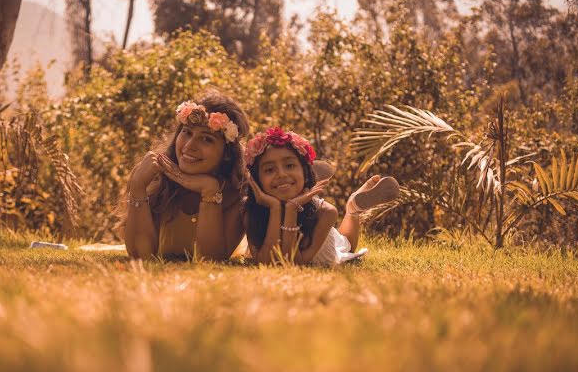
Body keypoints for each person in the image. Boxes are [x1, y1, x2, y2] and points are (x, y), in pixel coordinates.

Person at [119, 92, 250, 260]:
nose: (189, 146)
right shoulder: (157, 179)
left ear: (227, 153)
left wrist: (209, 190)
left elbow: (208, 260)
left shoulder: (238, 193)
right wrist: (137, 187)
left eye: (206, 139)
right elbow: (140, 255)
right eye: (187, 132)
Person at [243, 127, 400, 266]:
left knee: (346, 245)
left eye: (289, 165)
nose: (281, 174)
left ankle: (353, 208)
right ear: (256, 179)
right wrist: (275, 208)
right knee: (287, 182)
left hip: (322, 235)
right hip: (288, 195)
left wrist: (291, 209)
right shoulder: (250, 210)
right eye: (270, 170)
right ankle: (302, 179)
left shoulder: (325, 212)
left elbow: (294, 262)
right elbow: (264, 261)